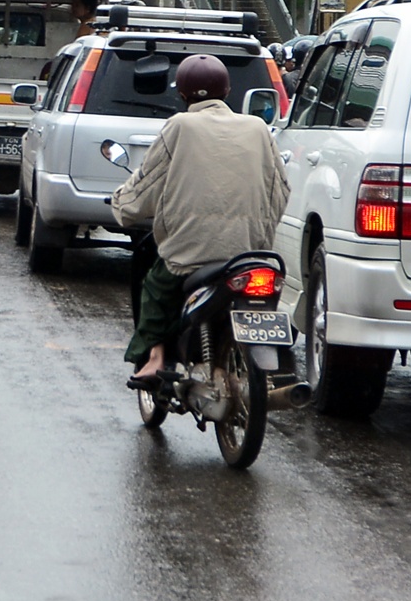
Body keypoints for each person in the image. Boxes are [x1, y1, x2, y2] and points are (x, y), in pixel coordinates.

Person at [111, 53, 289, 390]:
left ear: (182, 94)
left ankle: (156, 357)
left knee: (155, 287)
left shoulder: (180, 125)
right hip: (250, 255)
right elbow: (280, 190)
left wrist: (123, 207)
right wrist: (260, 233)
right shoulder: (257, 127)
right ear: (228, 90)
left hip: (190, 254)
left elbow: (146, 185)